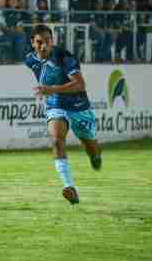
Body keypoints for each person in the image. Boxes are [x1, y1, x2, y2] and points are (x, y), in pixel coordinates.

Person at [25, 24, 103, 205]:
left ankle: (95, 154)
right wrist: (51, 93)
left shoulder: (64, 57)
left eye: (47, 41)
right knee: (56, 140)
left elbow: (80, 84)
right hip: (56, 106)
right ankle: (69, 187)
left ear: (52, 41)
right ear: (32, 43)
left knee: (89, 144)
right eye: (39, 42)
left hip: (78, 106)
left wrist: (51, 89)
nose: (43, 46)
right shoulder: (30, 59)